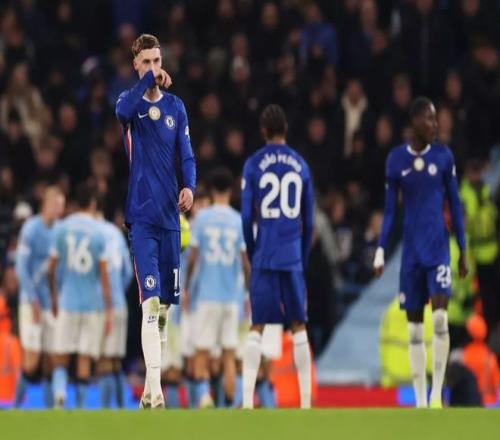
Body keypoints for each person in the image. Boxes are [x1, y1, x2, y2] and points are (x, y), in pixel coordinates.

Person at [115, 33, 196, 409]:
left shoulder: (176, 107)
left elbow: (187, 154)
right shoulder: (128, 105)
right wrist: (149, 81)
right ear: (136, 65)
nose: (153, 68)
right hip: (143, 219)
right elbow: (123, 110)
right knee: (150, 304)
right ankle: (158, 391)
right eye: (146, 62)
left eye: (157, 61)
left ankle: (150, 390)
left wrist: (190, 186)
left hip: (170, 220)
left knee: (163, 311)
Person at [373, 96, 468, 408]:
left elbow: (455, 205)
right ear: (415, 122)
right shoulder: (396, 160)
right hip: (411, 255)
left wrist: (463, 248)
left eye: (436, 118)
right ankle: (419, 400)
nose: (435, 124)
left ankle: (436, 394)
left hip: (438, 250)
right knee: (414, 330)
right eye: (430, 119)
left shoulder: (443, 156)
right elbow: (389, 212)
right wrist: (380, 250)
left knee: (439, 321)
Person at [241, 104, 314, 409]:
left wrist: (253, 249)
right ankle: (306, 404)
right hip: (291, 254)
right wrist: (302, 256)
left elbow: (247, 216)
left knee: (257, 325)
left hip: (265, 253)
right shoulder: (301, 165)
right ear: (286, 129)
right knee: (299, 326)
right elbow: (309, 221)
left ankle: (247, 402)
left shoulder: (253, 164)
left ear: (263, 131)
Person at [184, 167, 250, 408]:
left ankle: (204, 397)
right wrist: (248, 291)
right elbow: (245, 262)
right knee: (229, 354)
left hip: (206, 296)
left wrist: (188, 287)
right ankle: (231, 405)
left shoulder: (202, 219)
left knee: (202, 350)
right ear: (230, 191)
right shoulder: (238, 220)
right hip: (231, 298)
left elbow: (193, 258)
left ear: (211, 191)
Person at [48, 182, 112, 408]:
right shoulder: (99, 232)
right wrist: (109, 309)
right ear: (93, 203)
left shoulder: (62, 228)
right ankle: (81, 408)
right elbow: (104, 276)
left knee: (61, 356)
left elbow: (51, 269)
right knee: (85, 358)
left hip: (67, 301)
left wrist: (53, 296)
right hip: (92, 305)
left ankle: (59, 393)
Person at [14, 186, 65, 408]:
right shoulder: (31, 229)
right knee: (32, 360)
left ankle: (50, 411)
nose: (59, 210)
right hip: (30, 302)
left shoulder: (60, 230)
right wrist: (33, 299)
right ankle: (15, 407)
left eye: (62, 206)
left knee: (51, 359)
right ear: (46, 204)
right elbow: (21, 268)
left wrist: (57, 299)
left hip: (51, 303)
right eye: (56, 205)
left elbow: (59, 271)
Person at [97, 211, 133, 408]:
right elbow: (128, 272)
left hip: (102, 305)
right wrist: (118, 289)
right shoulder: (116, 234)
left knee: (104, 361)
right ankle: (121, 408)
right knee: (116, 360)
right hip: (120, 303)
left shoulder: (93, 232)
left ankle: (105, 410)